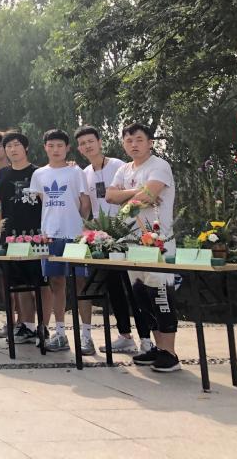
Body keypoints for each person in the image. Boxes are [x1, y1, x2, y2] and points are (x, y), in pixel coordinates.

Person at [106, 123, 180, 373]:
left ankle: (170, 352)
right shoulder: (124, 169)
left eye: (139, 139)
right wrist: (139, 192)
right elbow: (110, 196)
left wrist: (130, 197)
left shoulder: (159, 165)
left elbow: (149, 197)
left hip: (158, 242)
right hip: (132, 243)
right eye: (128, 140)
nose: (134, 144)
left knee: (161, 295)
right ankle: (157, 348)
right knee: (142, 297)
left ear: (150, 143)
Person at [75, 125, 150, 354]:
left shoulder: (118, 166)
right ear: (79, 148)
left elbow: (135, 195)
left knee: (135, 286)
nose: (88, 146)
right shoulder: (84, 172)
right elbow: (88, 207)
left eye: (91, 141)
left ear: (100, 142)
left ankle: (147, 339)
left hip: (128, 233)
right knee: (113, 287)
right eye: (83, 143)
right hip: (104, 239)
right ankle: (125, 335)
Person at [32, 129, 94, 354]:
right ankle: (60, 334)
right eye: (51, 146)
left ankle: (86, 336)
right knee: (56, 284)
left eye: (60, 145)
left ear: (67, 148)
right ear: (45, 148)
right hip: (50, 236)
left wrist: (80, 227)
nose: (55, 149)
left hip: (75, 236)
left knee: (80, 284)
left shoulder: (76, 171)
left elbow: (85, 203)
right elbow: (43, 202)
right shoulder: (39, 174)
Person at [0, 130, 41, 344]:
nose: (12, 149)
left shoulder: (39, 173)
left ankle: (44, 327)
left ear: (26, 147)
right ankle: (28, 326)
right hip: (10, 236)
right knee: (19, 282)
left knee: (40, 283)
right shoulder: (1, 174)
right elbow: (1, 205)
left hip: (35, 234)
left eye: (16, 145)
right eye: (8, 146)